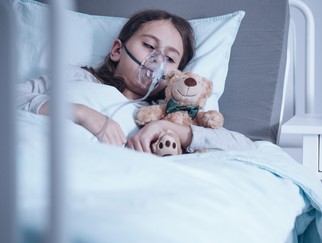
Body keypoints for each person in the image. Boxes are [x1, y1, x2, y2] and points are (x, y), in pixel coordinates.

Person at [17, 9, 256, 153]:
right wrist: (81, 113)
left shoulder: (156, 114)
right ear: (117, 51)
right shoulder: (76, 77)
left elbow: (243, 146)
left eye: (170, 58)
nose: (157, 60)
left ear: (176, 76)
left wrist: (167, 128)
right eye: (149, 46)